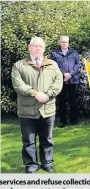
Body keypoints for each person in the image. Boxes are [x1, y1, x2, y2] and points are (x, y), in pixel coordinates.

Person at [11, 37, 63, 173]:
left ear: (44, 49)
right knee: (28, 141)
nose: (38, 48)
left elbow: (59, 82)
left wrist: (48, 94)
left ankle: (47, 163)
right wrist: (35, 93)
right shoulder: (19, 65)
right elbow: (18, 86)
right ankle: (31, 165)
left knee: (47, 139)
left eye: (40, 46)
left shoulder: (53, 64)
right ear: (29, 48)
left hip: (48, 109)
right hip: (27, 111)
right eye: (35, 46)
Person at [50, 35, 81, 127]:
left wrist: (70, 74)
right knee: (62, 101)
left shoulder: (74, 52)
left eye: (66, 42)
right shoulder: (54, 53)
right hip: (61, 80)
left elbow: (77, 65)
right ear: (60, 42)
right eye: (62, 42)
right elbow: (54, 66)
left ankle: (74, 121)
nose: (64, 43)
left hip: (73, 80)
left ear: (68, 43)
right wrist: (64, 74)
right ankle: (62, 121)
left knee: (73, 101)